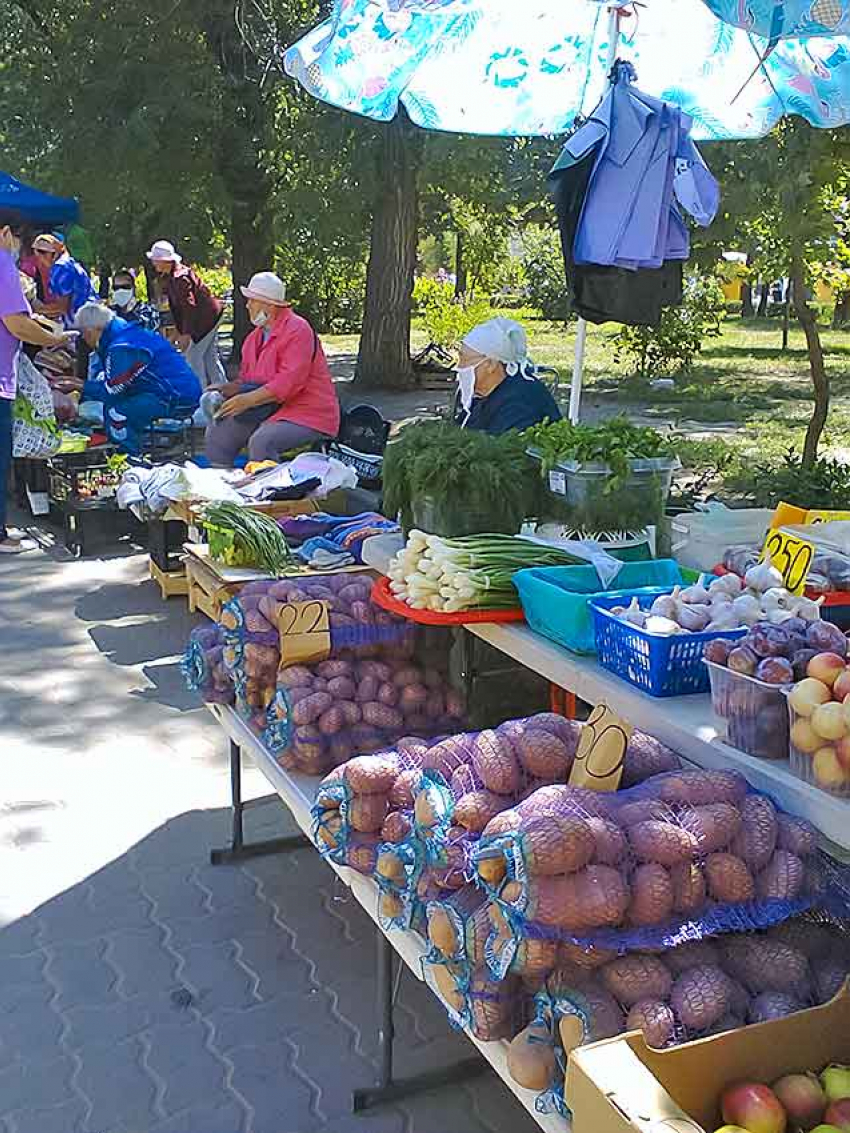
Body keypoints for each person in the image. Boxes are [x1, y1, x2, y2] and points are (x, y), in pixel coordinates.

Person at [204, 271, 339, 466]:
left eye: (252, 300)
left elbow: (288, 383)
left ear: (269, 305)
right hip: (267, 409)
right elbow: (249, 381)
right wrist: (228, 389)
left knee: (262, 442)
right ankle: (222, 492)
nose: (247, 305)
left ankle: (268, 494)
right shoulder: (253, 338)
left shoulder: (298, 330)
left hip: (309, 413)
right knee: (218, 434)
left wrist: (247, 400)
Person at [0, 216, 75, 552]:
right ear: (5, 234)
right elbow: (16, 323)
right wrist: (52, 339)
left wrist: (42, 326)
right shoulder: (1, 262)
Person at [77, 303, 201, 455]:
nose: (83, 338)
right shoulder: (128, 334)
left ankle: (129, 459)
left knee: (117, 413)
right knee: (114, 404)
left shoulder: (122, 347)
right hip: (173, 390)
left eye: (83, 333)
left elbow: (113, 389)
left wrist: (80, 386)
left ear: (91, 331)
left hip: (174, 396)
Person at [455, 317, 561, 434]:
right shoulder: (483, 394)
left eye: (464, 359)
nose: (459, 366)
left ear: (490, 364)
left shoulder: (520, 402)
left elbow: (503, 447)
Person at [146, 239, 225, 389]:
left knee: (194, 357)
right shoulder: (171, 277)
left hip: (206, 320)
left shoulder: (180, 278)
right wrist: (178, 331)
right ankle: (222, 391)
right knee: (209, 357)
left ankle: (199, 395)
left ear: (165, 261)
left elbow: (189, 307)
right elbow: (179, 310)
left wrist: (186, 334)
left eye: (155, 260)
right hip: (210, 317)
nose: (153, 264)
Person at [31, 233, 97, 327]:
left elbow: (62, 307)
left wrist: (34, 309)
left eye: (44, 252)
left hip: (84, 322)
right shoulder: (68, 262)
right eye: (38, 252)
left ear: (55, 251)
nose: (41, 257)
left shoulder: (60, 267)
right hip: (90, 315)